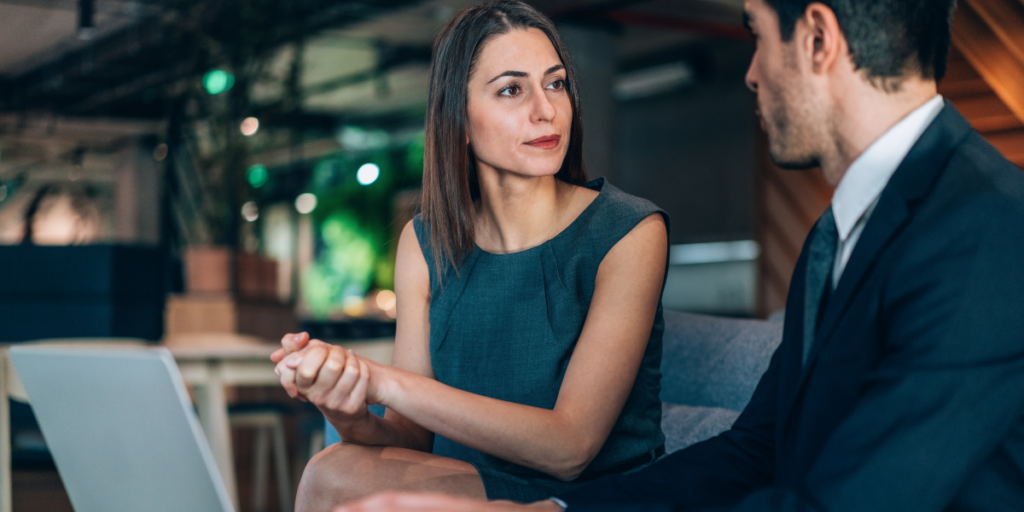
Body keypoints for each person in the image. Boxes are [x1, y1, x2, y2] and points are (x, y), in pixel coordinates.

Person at [332, 0, 1024, 510]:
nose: (750, 74)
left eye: (755, 35)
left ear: (817, 39)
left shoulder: (989, 230)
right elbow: (757, 448)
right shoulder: (843, 229)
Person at [272, 1, 671, 510]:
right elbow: (412, 438)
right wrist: (346, 405)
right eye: (511, 89)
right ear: (457, 119)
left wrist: (382, 379)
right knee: (331, 470)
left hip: (592, 496)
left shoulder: (629, 231)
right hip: (476, 483)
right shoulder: (425, 243)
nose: (545, 109)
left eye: (555, 83)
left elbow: (570, 448)